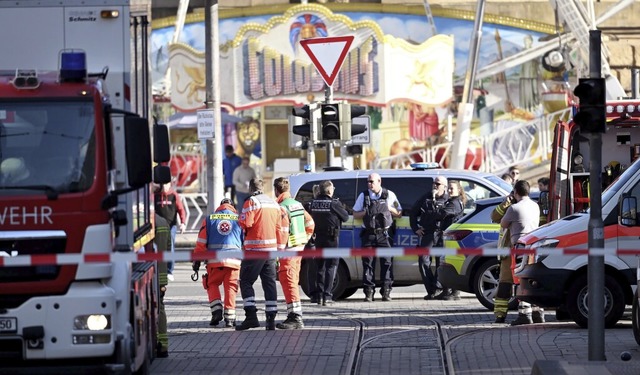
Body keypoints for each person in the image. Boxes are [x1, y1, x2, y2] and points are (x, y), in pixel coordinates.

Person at [236, 178, 286, 331]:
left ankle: (251, 316)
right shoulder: (274, 204)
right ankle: (270, 319)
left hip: (254, 249)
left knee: (245, 281)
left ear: (251, 189)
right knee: (269, 283)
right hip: (271, 250)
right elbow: (280, 227)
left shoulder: (251, 202)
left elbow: (245, 223)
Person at [191, 198, 242, 328]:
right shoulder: (239, 219)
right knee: (231, 287)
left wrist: (196, 261)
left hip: (214, 261)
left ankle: (216, 311)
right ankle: (230, 318)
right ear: (232, 206)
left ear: (220, 206)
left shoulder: (209, 219)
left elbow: (201, 242)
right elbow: (245, 241)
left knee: (212, 284)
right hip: (233, 261)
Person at [353, 173, 402, 302]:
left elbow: (399, 212)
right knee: (368, 264)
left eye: (372, 182)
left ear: (379, 181)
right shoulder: (363, 195)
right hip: (369, 234)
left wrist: (388, 208)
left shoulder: (389, 195)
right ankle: (369, 293)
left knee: (387, 263)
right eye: (368, 182)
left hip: (384, 235)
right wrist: (368, 211)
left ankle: (386, 292)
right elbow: (355, 214)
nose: (369, 184)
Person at [273, 177, 315, 329]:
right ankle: (293, 315)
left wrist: (277, 253)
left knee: (289, 281)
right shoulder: (297, 204)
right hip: (298, 248)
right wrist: (304, 240)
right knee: (292, 281)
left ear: (276, 190)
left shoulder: (281, 207)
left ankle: (296, 317)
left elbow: (283, 232)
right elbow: (310, 223)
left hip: (288, 250)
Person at [500, 180, 543, 326]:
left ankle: (524, 315)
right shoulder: (535, 205)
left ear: (515, 192)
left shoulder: (514, 208)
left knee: (520, 280)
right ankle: (538, 313)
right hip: (534, 246)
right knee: (533, 279)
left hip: (519, 247)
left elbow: (503, 224)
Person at [307, 180, 349, 305]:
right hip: (331, 239)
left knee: (320, 267)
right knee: (331, 266)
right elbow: (346, 217)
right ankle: (327, 296)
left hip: (317, 238)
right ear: (330, 191)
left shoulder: (312, 203)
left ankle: (319, 295)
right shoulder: (334, 204)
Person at [410, 176, 448, 300]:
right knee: (423, 261)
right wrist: (416, 228)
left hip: (442, 234)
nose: (435, 186)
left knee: (440, 262)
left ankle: (437, 288)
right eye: (434, 183)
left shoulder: (448, 199)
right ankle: (431, 289)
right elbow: (413, 213)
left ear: (444, 187)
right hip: (428, 233)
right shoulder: (426, 197)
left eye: (438, 183)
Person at [435, 180, 466, 301]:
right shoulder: (453, 201)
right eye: (448, 188)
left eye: (451, 188)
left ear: (458, 190)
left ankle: (454, 292)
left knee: (450, 264)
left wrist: (436, 211)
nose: (449, 190)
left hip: (452, 238)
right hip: (450, 236)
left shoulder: (454, 203)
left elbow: (441, 214)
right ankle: (447, 290)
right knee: (446, 263)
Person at [491, 192, 516, 324]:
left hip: (515, 250)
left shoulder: (515, 208)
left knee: (509, 283)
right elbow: (495, 216)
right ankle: (500, 314)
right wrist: (506, 202)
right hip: (509, 252)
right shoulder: (509, 207)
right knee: (505, 284)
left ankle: (501, 314)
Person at [154, 182, 187, 281]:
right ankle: (159, 269)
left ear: (170, 185)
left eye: (166, 184)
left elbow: (181, 209)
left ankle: (169, 270)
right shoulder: (156, 196)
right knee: (157, 247)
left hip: (171, 226)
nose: (164, 186)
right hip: (159, 226)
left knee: (170, 246)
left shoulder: (174, 195)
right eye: (162, 184)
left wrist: (183, 223)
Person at [153, 213, 171, 358]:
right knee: (160, 308)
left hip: (149, 271)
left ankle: (155, 342)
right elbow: (169, 248)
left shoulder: (142, 221)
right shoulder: (163, 221)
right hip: (162, 275)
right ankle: (163, 345)